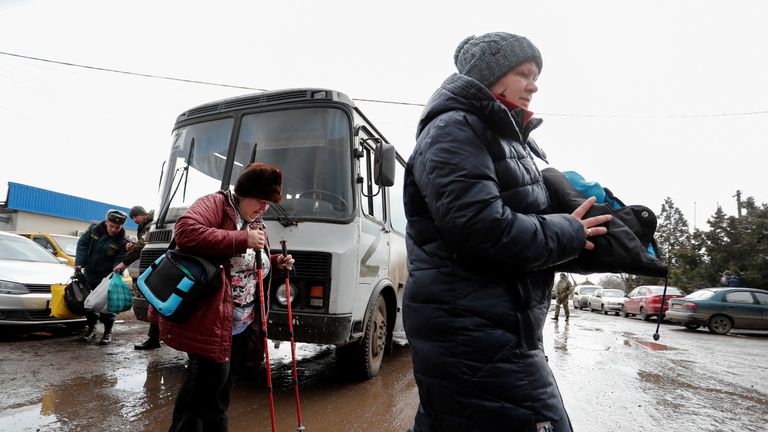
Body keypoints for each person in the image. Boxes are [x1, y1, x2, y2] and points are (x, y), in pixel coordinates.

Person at [403, 32, 612, 431]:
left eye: (536, 76)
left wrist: (586, 234)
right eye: (524, 73)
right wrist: (568, 232)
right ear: (492, 76)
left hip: (496, 325)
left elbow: (518, 226)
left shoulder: (503, 138)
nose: (535, 85)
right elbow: (481, 227)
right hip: (473, 328)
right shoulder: (455, 129)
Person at [159, 162, 294, 432]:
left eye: (268, 203)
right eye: (260, 200)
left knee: (219, 396)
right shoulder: (216, 204)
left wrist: (275, 263)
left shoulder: (255, 221)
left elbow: (246, 263)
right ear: (244, 193)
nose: (263, 208)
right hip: (210, 321)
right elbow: (185, 231)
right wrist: (241, 238)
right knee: (200, 395)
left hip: (239, 325)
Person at [75, 209, 130, 345]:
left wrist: (116, 271)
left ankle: (107, 332)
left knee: (106, 306)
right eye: (111, 225)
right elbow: (82, 244)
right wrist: (79, 263)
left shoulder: (123, 241)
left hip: (107, 277)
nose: (114, 229)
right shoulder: (94, 230)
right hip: (90, 273)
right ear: (106, 222)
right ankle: (91, 330)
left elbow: (121, 259)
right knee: (88, 302)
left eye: (118, 227)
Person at [113, 205, 162, 350]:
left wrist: (124, 261)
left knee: (157, 303)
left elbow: (143, 245)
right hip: (154, 266)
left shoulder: (153, 224)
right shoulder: (149, 223)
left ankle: (155, 338)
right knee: (156, 304)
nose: (134, 220)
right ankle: (155, 338)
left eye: (135, 217)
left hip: (157, 267)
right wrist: (133, 245)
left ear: (142, 214)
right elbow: (143, 245)